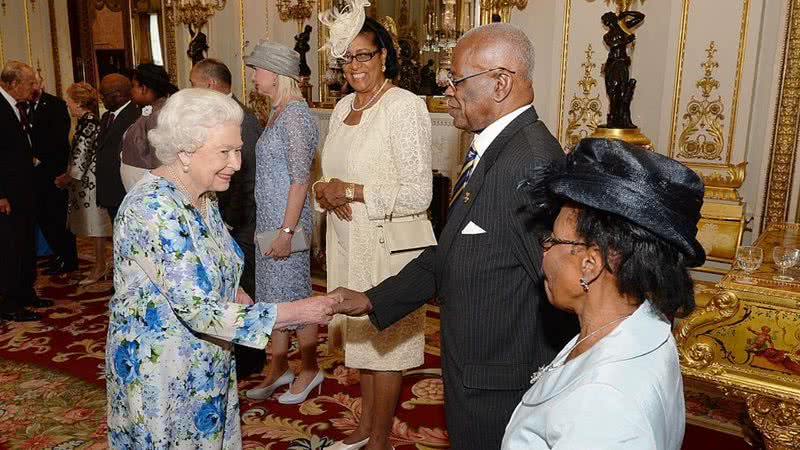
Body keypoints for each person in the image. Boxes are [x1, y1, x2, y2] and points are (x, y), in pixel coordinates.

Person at [330, 23, 577, 450]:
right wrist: (374, 299)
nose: (446, 89)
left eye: (456, 80)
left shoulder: (529, 161)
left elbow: (558, 287)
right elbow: (452, 250)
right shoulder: (494, 147)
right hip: (474, 365)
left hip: (501, 377)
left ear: (500, 83)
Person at [105, 88, 338, 448]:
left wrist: (240, 292)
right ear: (184, 152)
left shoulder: (203, 195)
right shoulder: (154, 209)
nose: (237, 163)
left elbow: (222, 262)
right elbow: (199, 311)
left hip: (207, 359)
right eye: (225, 152)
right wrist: (296, 311)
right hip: (164, 372)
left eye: (238, 150)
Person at [501, 137, 704, 449]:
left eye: (553, 240)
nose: (545, 250)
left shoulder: (604, 404)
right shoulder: (638, 322)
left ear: (590, 264)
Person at [314, 16, 432, 450]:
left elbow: (419, 193)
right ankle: (364, 427)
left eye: (363, 55)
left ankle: (380, 439)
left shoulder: (404, 105)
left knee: (387, 348)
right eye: (346, 59)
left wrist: (351, 190)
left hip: (387, 246)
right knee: (362, 344)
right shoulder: (344, 107)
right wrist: (323, 191)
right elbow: (327, 176)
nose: (353, 66)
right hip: (347, 242)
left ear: (384, 56)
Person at [241, 40, 323, 405]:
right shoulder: (278, 112)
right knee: (273, 299)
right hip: (269, 222)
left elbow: (300, 178)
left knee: (297, 298)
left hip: (286, 226)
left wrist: (288, 232)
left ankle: (309, 368)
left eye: (257, 69)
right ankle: (278, 368)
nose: (254, 76)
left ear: (274, 74)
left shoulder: (295, 114)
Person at [190, 57, 265, 377]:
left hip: (243, 222)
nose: (192, 91)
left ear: (209, 85)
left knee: (245, 287)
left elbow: (246, 178)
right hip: (229, 218)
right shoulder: (224, 116)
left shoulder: (242, 120)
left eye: (194, 85)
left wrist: (231, 220)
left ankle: (249, 361)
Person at [0, 61, 47, 322]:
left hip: (25, 189)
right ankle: (8, 301)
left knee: (26, 242)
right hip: (7, 193)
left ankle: (25, 291)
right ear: (13, 83)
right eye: (30, 83)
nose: (35, 87)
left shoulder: (19, 106)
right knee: (10, 247)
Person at [55, 82, 112, 285]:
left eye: (69, 101)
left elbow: (81, 156)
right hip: (88, 181)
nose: (68, 105)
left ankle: (99, 267)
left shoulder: (88, 123)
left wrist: (66, 178)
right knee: (95, 228)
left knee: (96, 227)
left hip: (91, 183)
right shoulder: (85, 121)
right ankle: (100, 265)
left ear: (78, 102)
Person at [28, 74, 78, 276]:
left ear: (42, 84)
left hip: (53, 169)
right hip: (33, 173)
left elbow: (58, 137)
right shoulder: (23, 106)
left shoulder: (55, 104)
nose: (32, 87)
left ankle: (69, 258)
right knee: (43, 216)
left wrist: (39, 157)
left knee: (58, 217)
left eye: (34, 83)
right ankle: (58, 255)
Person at [120, 63, 178, 190]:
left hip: (151, 188)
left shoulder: (157, 115)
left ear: (144, 88)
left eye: (133, 86)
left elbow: (161, 159)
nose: (131, 91)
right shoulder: (152, 111)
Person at [96, 73, 141, 221]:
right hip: (109, 191)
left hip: (124, 190)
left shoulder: (136, 116)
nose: (101, 98)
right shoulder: (106, 117)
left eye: (104, 95)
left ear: (119, 95)